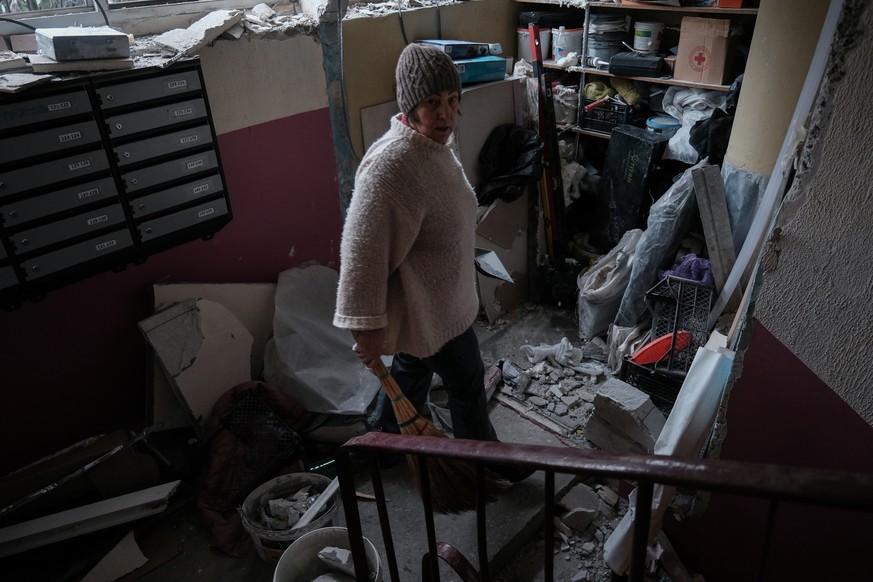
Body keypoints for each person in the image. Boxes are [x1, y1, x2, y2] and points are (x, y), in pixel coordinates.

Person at [333, 43, 530, 482]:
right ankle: (484, 459)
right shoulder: (389, 168)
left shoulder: (429, 145)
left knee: (412, 366)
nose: (446, 115)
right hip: (434, 307)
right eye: (432, 103)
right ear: (410, 106)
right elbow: (362, 254)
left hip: (431, 299)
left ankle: (381, 442)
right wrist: (365, 326)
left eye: (452, 101)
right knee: (467, 380)